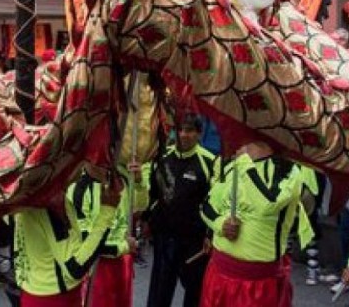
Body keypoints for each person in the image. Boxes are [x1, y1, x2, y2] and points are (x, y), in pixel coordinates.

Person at [199, 142, 308, 307]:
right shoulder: (231, 166)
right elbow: (206, 206)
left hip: (258, 283)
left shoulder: (287, 170)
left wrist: (244, 164)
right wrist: (221, 224)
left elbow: (268, 204)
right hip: (218, 273)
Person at [14, 169, 122, 306]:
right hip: (55, 299)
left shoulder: (23, 198)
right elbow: (75, 268)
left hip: (33, 293)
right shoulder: (51, 203)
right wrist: (107, 210)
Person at [146, 114, 216, 307]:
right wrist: (148, 219)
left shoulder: (210, 162)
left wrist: (210, 234)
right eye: (180, 130)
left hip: (194, 242)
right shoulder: (162, 158)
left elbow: (215, 203)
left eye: (190, 130)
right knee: (159, 293)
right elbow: (152, 194)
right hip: (165, 238)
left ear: (199, 134)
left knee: (194, 294)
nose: (184, 135)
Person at [68, 163, 139, 307]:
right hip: (97, 268)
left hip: (123, 262)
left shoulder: (121, 179)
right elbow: (87, 245)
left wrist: (139, 183)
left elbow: (139, 207)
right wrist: (124, 246)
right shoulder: (77, 189)